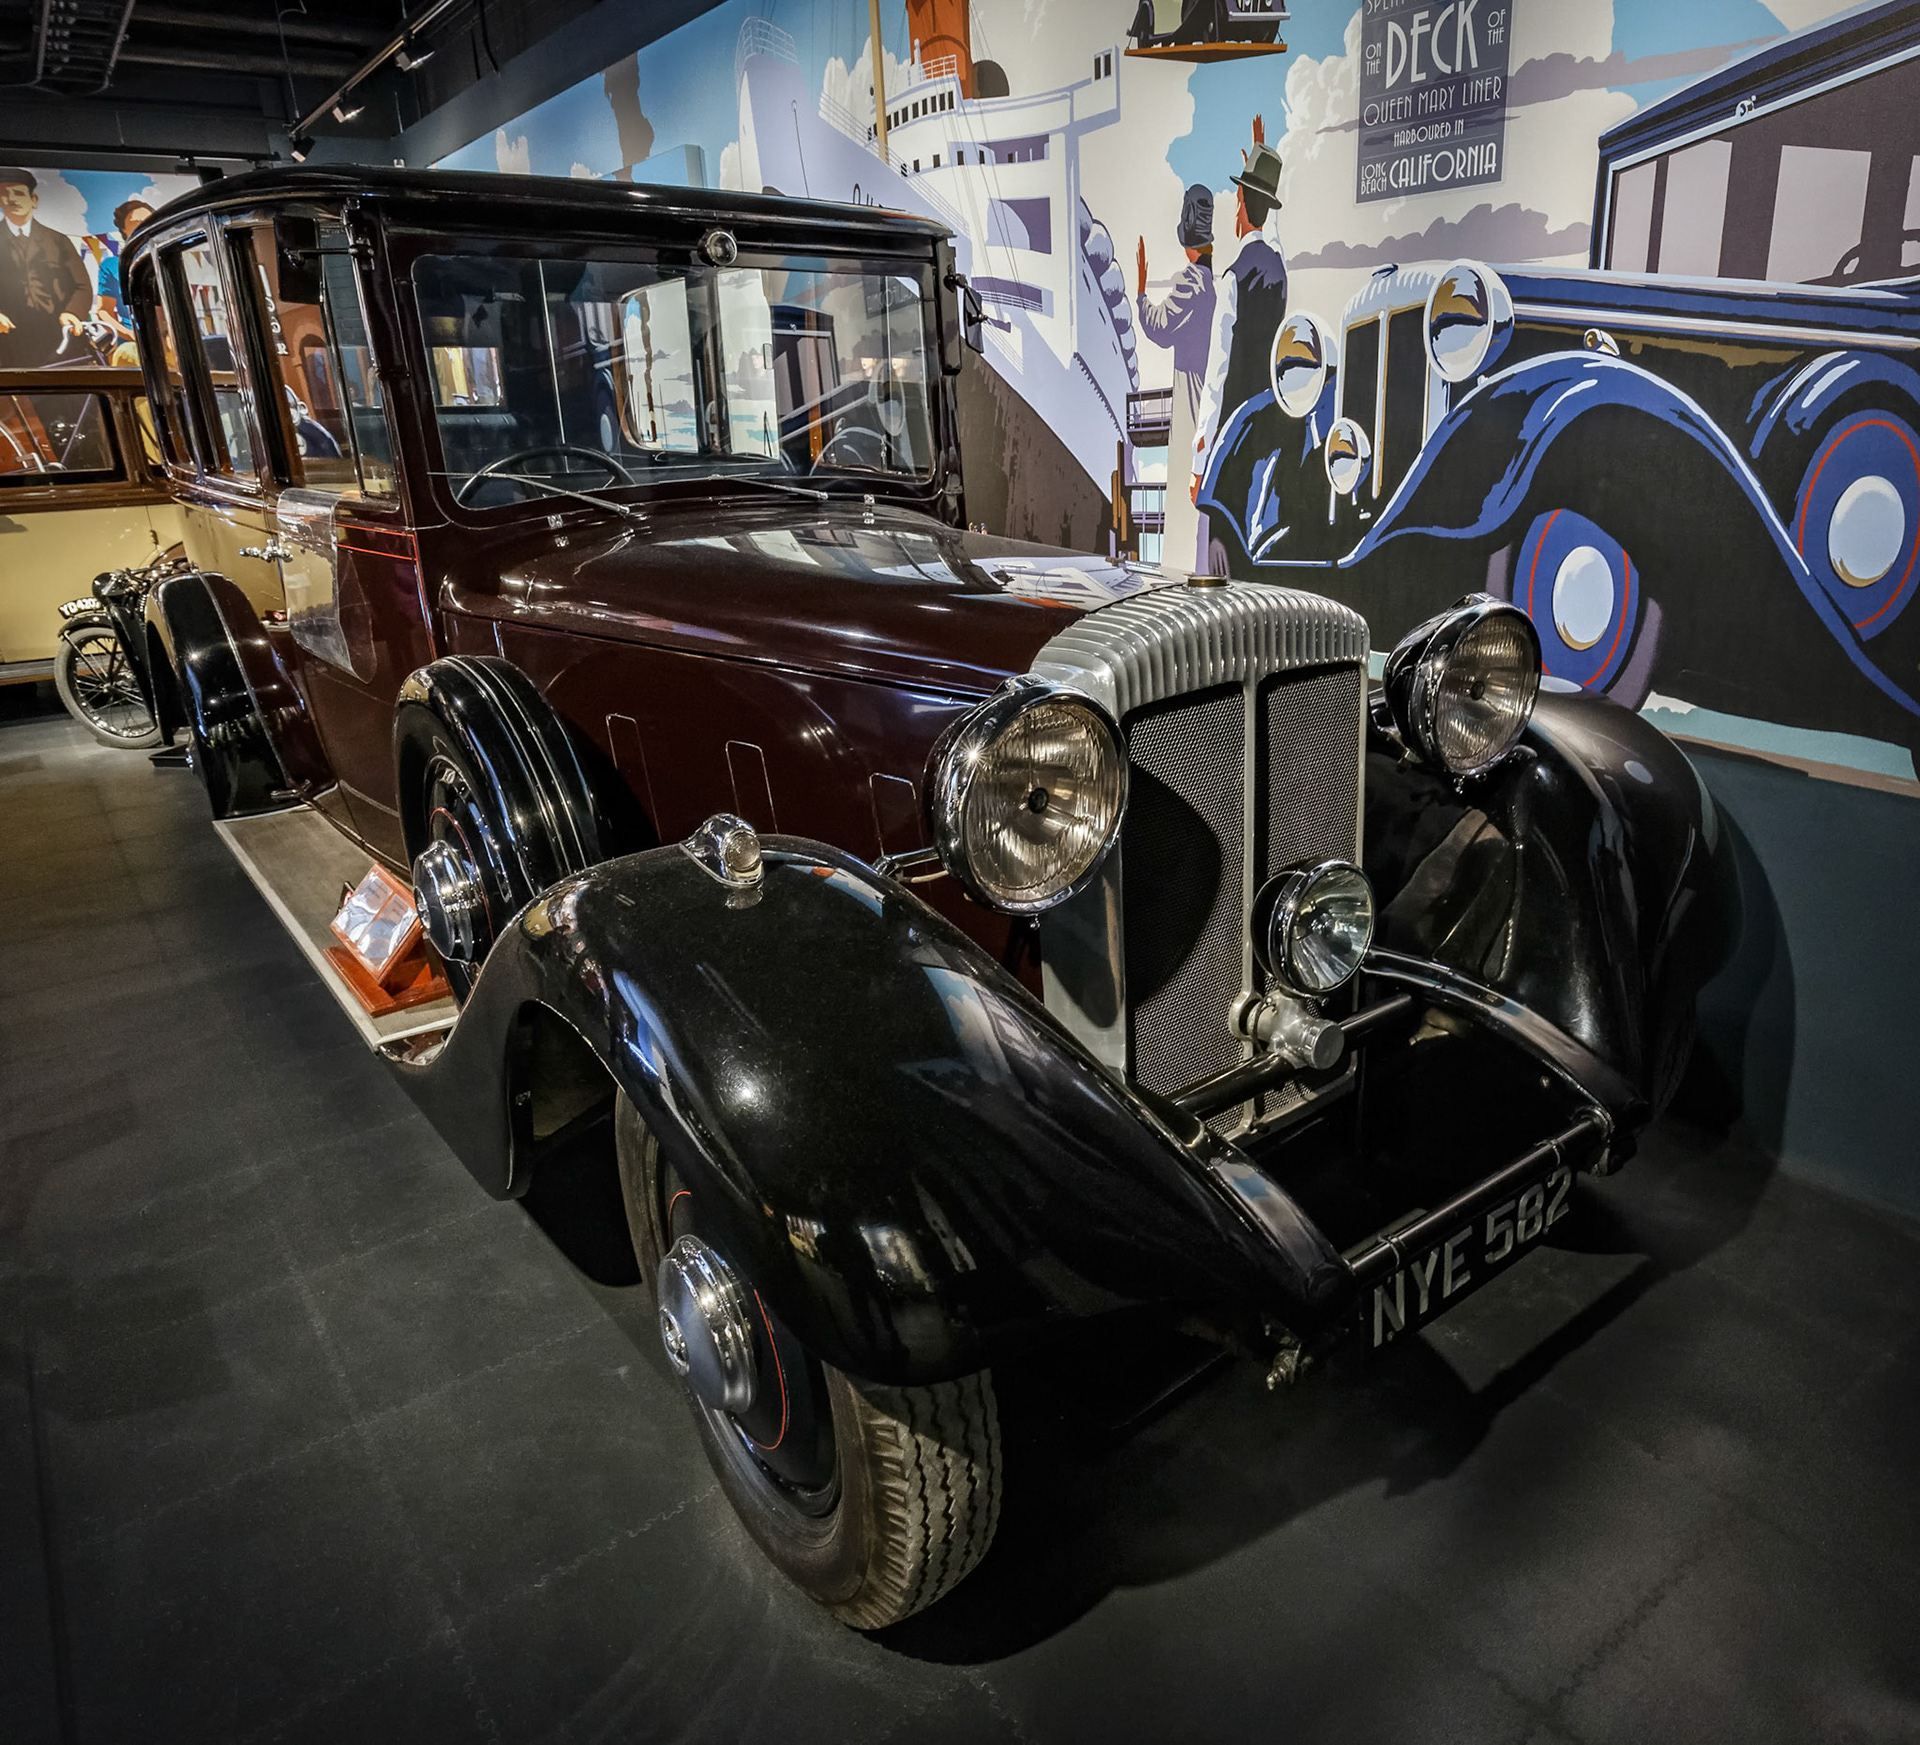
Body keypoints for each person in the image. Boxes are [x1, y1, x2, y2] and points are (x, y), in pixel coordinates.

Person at [1190, 120, 1288, 551]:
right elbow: (1276, 237)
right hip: (1266, 436)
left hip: (1230, 442)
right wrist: (1258, 165)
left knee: (1220, 554)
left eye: (1237, 199)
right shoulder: (1280, 271)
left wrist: (1198, 463)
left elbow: (1217, 376)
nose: (1233, 208)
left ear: (1243, 203)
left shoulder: (1232, 280)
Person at [1136, 183, 1216, 571]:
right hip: (1209, 397)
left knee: (1185, 505)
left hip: (1191, 398)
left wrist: (1140, 295)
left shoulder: (1191, 283)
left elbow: (1159, 328)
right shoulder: (1217, 286)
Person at [0, 169, 93, 369]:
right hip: (9, 346)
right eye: (4, 194)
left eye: (18, 193)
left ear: (34, 199)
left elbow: (82, 286)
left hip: (60, 342)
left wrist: (73, 313)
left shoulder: (58, 241)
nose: (11, 199)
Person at [94, 197, 154, 364]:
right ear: (124, 230)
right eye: (136, 224)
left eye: (148, 222)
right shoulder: (112, 265)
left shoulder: (169, 258)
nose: (143, 228)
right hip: (132, 346)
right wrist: (130, 335)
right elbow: (103, 311)